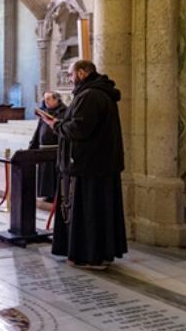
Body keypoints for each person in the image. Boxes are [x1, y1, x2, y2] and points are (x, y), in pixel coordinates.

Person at [38, 60, 127, 270]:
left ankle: (89, 256)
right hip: (99, 164)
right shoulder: (99, 93)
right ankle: (100, 254)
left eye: (71, 75)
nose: (70, 79)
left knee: (89, 213)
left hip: (88, 166)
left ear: (82, 73)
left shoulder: (90, 96)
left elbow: (79, 129)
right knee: (100, 211)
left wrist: (56, 125)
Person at [29, 91, 67, 202]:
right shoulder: (44, 113)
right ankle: (47, 194)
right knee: (45, 175)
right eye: (45, 99)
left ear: (56, 100)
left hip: (56, 150)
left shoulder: (64, 112)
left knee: (54, 176)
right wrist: (32, 147)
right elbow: (38, 131)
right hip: (43, 149)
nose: (46, 102)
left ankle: (56, 195)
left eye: (49, 99)